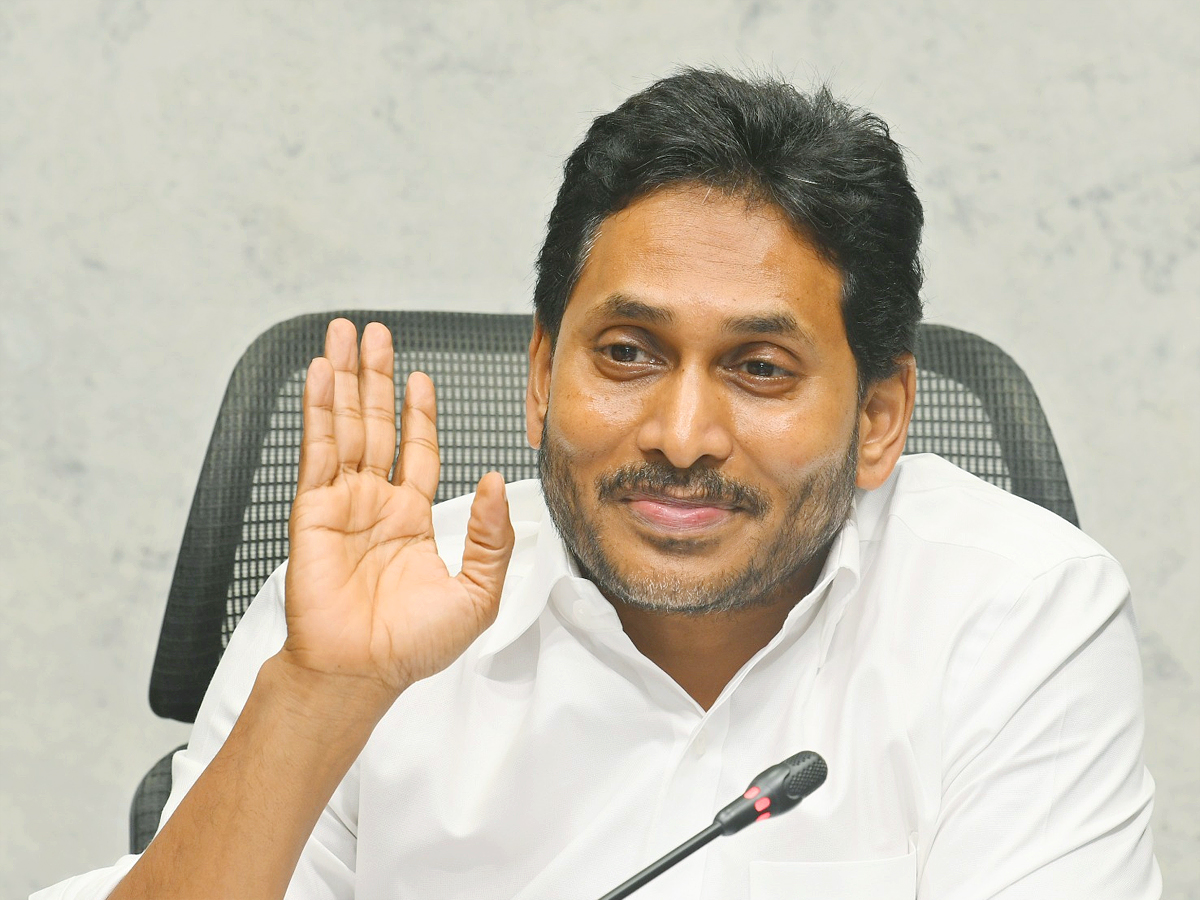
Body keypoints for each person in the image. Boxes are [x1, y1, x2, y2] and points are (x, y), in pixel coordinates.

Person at [36, 69, 1160, 900]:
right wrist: (318, 695)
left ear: (877, 420)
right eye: (626, 353)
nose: (680, 434)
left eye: (759, 369)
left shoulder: (1017, 610)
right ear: (541, 375)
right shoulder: (356, 615)